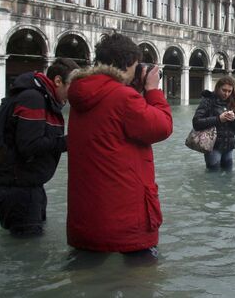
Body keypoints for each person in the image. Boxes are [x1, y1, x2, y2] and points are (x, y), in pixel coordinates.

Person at [66, 33, 172, 263]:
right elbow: (162, 127)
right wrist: (153, 90)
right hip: (125, 215)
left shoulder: (82, 95)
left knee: (86, 273)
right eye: (135, 65)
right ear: (126, 64)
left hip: (87, 214)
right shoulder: (122, 97)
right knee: (142, 276)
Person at [0, 57, 79, 236]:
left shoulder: (42, 98)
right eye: (73, 85)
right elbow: (29, 145)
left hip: (29, 188)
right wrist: (71, 141)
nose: (76, 92)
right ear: (58, 81)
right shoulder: (33, 99)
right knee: (25, 251)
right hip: (19, 192)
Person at [192, 76, 235, 170]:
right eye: (224, 90)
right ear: (218, 88)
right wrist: (218, 119)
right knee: (213, 177)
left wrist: (234, 119)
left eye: (229, 91)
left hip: (229, 147)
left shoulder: (234, 103)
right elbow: (196, 123)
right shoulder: (208, 100)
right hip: (213, 147)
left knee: (228, 177)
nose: (226, 94)